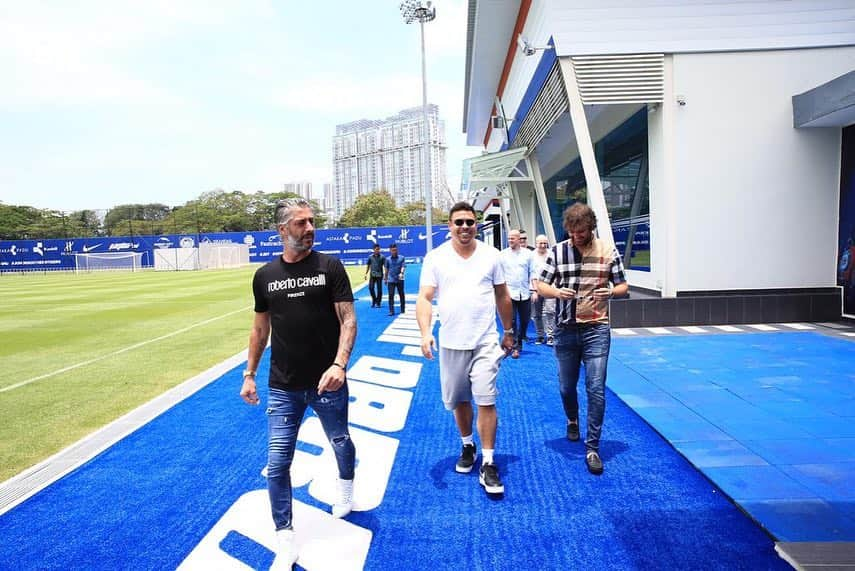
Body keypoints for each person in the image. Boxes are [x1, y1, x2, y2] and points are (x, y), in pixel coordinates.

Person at [240, 198, 358, 568]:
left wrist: (339, 364)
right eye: (301, 223)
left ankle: (346, 486)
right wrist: (249, 373)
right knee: (277, 463)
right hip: (283, 385)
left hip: (328, 383)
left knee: (340, 441)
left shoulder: (330, 267)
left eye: (312, 222)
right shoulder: (264, 276)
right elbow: (261, 328)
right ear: (282, 230)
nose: (310, 228)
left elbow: (349, 320)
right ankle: (284, 536)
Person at [416, 202, 514, 495]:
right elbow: (425, 297)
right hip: (450, 342)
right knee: (459, 401)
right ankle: (468, 444)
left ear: (477, 225)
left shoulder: (491, 256)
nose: (464, 227)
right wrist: (425, 333)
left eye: (470, 222)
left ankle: (488, 462)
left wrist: (508, 331)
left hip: (485, 340)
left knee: (486, 399)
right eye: (458, 222)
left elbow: (502, 295)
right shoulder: (435, 258)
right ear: (449, 226)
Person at [536, 203, 627, 475]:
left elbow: (623, 286)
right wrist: (555, 292)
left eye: (582, 232)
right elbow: (540, 285)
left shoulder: (608, 251)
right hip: (565, 328)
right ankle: (572, 419)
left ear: (591, 228)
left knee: (596, 388)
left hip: (597, 328)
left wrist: (611, 292)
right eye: (573, 232)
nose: (577, 236)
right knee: (566, 387)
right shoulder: (557, 251)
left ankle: (593, 447)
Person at [500, 229, 536, 359]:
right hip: (509, 293)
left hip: (525, 292)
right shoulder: (502, 255)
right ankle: (515, 347)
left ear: (519, 239)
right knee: (513, 320)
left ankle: (520, 338)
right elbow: (500, 275)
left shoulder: (528, 254)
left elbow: (533, 273)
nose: (510, 240)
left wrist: (534, 290)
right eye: (509, 238)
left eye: (512, 238)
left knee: (526, 319)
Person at [532, 234, 556, 346]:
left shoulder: (552, 255)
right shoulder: (531, 256)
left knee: (551, 311)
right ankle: (540, 335)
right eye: (540, 243)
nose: (542, 245)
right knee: (537, 314)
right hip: (536, 288)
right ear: (536, 243)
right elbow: (530, 274)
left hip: (550, 287)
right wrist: (534, 291)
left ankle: (551, 335)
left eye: (544, 243)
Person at [384, 242, 406, 315]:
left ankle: (402, 309)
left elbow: (403, 266)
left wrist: (402, 273)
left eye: (395, 250)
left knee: (401, 294)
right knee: (391, 295)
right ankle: (391, 311)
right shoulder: (387, 259)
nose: (394, 251)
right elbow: (386, 269)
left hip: (400, 279)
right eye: (393, 250)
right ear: (390, 251)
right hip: (391, 279)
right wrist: (385, 278)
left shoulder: (402, 258)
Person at [364, 243, 386, 308]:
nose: (378, 250)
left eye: (379, 249)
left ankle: (378, 303)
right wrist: (366, 273)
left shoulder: (382, 257)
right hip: (372, 275)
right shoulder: (370, 257)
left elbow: (385, 266)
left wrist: (385, 275)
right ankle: (374, 300)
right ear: (373, 249)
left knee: (379, 290)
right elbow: (368, 265)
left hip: (379, 275)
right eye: (376, 249)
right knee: (371, 288)